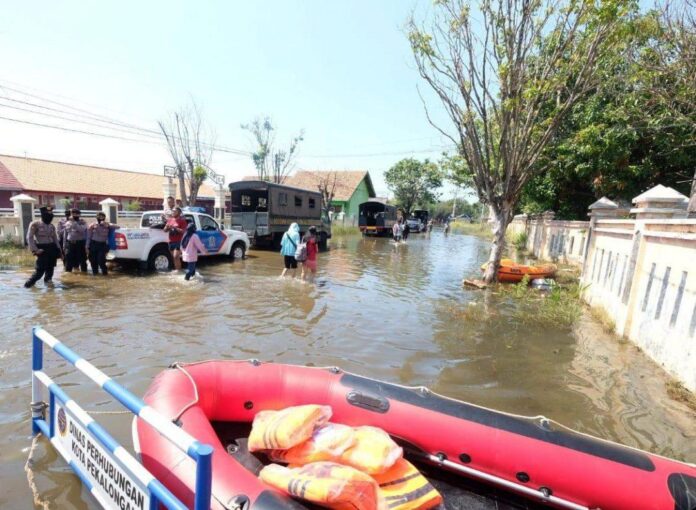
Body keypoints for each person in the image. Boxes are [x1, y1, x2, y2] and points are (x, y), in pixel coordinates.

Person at [24, 206, 63, 288]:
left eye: (51, 213)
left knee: (50, 270)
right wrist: (35, 250)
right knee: (39, 272)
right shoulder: (35, 224)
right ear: (43, 214)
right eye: (48, 213)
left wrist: (60, 251)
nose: (50, 215)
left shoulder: (51, 226)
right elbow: (29, 237)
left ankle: (49, 291)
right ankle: (27, 286)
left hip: (52, 249)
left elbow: (55, 239)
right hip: (42, 250)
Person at [63, 208, 88, 272]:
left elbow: (81, 230)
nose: (75, 215)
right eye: (73, 213)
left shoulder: (83, 222)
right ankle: (68, 274)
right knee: (69, 259)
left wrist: (74, 222)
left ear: (79, 215)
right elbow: (65, 234)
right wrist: (64, 245)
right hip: (70, 243)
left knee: (82, 260)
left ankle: (84, 274)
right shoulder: (67, 222)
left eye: (77, 214)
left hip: (80, 243)